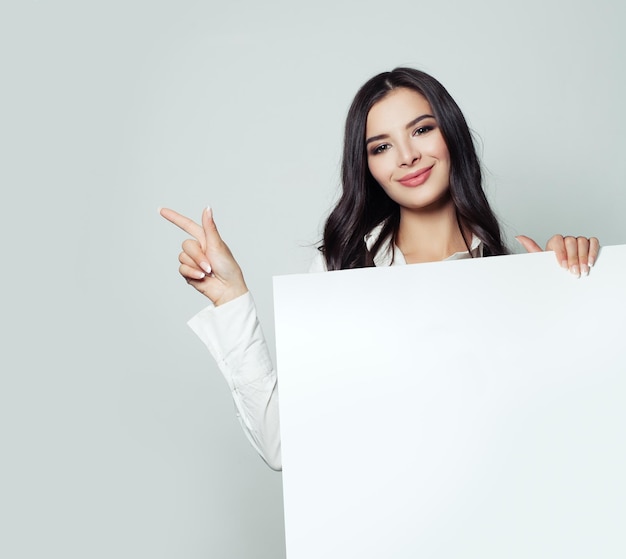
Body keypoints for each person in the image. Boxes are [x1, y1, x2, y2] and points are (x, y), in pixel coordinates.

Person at [160, 67, 600, 472]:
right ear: (368, 167)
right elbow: (282, 446)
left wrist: (575, 288)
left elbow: (562, 433)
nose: (407, 156)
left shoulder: (517, 276)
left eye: (422, 130)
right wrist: (232, 299)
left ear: (453, 136)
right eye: (382, 146)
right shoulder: (340, 272)